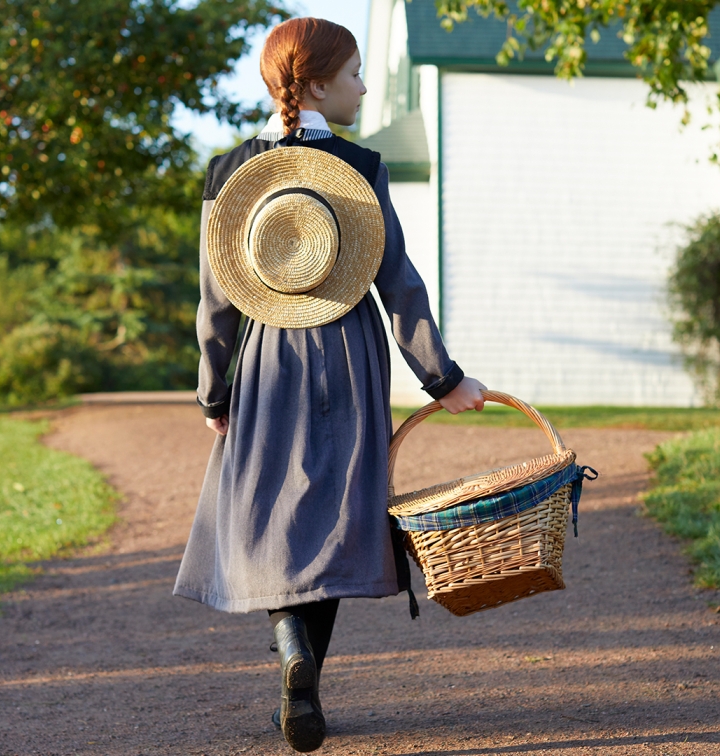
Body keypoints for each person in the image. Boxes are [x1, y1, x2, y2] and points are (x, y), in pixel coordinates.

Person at [173, 17, 486, 753]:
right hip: (349, 356)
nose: (365, 85)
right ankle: (308, 674)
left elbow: (215, 304)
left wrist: (214, 394)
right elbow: (399, 285)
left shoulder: (228, 172)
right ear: (315, 84)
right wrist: (444, 379)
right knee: (339, 519)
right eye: (353, 75)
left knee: (269, 517)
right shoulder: (360, 167)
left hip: (266, 361)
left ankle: (290, 649)